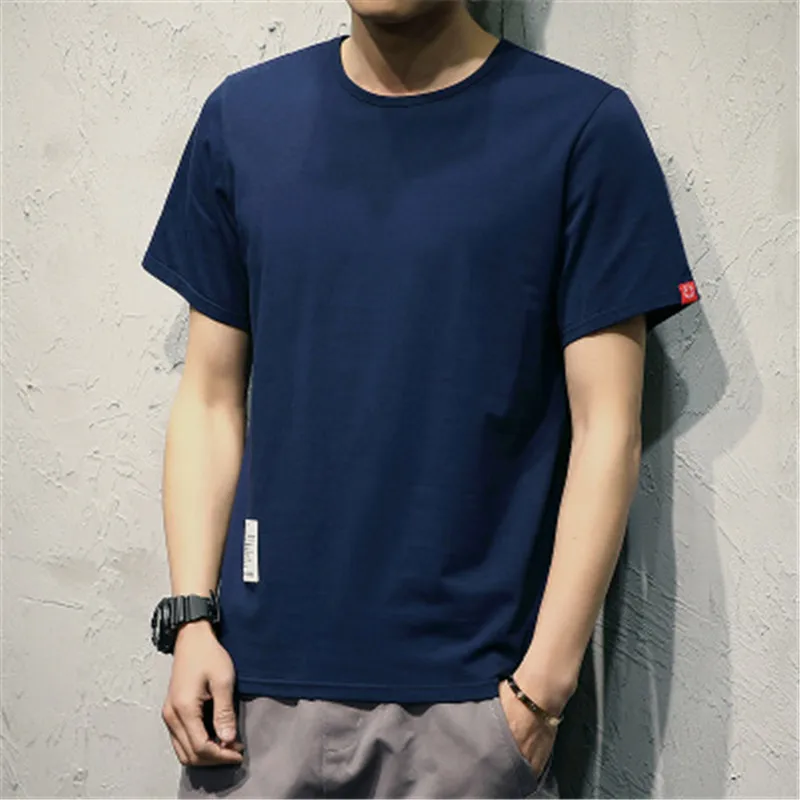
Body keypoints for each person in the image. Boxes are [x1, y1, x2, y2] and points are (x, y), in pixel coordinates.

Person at [141, 0, 701, 797]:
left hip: (471, 710)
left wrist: (540, 694)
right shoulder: (244, 119)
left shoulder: (580, 130)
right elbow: (208, 397)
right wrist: (192, 620)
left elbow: (608, 428)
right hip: (250, 704)